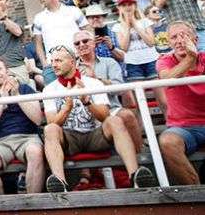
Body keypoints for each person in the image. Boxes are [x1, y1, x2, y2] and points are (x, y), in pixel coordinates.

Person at [42, 46, 155, 192]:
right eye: (52, 61)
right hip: (70, 139)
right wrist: (67, 108)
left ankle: (135, 175)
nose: (54, 64)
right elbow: (52, 122)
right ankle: (60, 183)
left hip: (95, 135)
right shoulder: (49, 89)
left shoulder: (93, 83)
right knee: (50, 129)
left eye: (58, 60)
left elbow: (104, 116)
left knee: (115, 121)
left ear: (72, 61)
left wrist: (87, 102)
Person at [0, 57, 44, 194]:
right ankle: (1, 206)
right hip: (1, 142)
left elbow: (38, 119)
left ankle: (34, 206)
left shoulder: (25, 89)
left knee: (35, 152)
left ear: (6, 71)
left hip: (28, 138)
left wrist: (16, 95)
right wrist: (2, 102)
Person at [74, 30, 142, 152]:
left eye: (85, 41)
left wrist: (97, 79)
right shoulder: (72, 68)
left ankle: (140, 158)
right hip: (83, 113)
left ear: (94, 43)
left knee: (127, 115)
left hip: (111, 109)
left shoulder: (109, 62)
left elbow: (119, 89)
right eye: (77, 43)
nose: (81, 45)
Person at [156, 21, 205, 185]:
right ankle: (196, 196)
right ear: (169, 42)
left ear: (195, 40)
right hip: (183, 127)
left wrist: (194, 57)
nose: (179, 41)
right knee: (167, 141)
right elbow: (167, 79)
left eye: (184, 36)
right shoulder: (165, 60)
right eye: (174, 37)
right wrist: (190, 58)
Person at [113, 0, 167, 114]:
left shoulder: (145, 21)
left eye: (129, 4)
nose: (127, 7)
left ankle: (171, 126)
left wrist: (135, 24)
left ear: (135, 5)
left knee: (163, 101)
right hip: (133, 65)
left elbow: (151, 42)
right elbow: (124, 47)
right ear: (119, 8)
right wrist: (127, 25)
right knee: (139, 105)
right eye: (124, 5)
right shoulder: (117, 26)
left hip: (152, 61)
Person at [31, 0, 90, 85]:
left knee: (82, 92)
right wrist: (45, 63)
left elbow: (88, 31)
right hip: (52, 64)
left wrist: (85, 54)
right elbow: (38, 44)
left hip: (76, 61)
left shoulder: (73, 10)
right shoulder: (38, 18)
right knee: (56, 98)